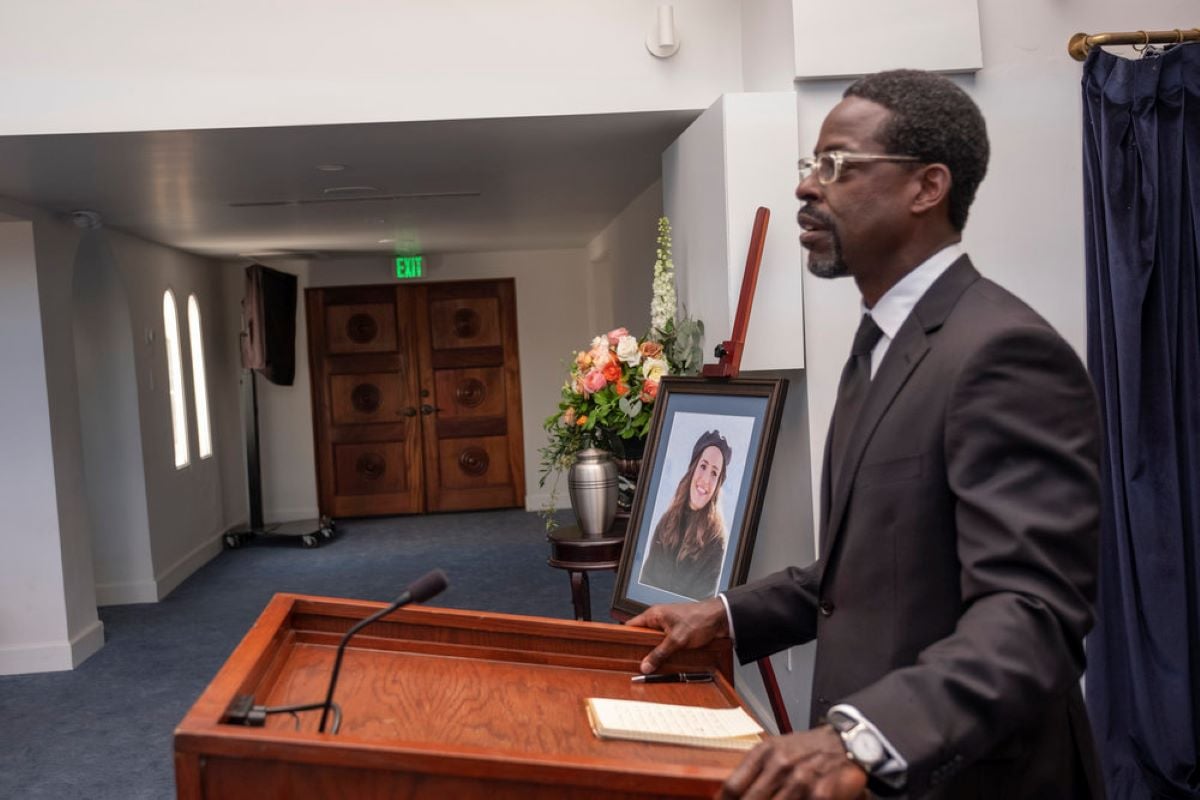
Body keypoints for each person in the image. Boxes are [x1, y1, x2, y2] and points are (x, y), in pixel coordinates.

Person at [627, 69, 1104, 800]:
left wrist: (864, 736)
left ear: (927, 187)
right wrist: (724, 615)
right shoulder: (880, 343)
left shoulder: (1003, 352)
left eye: (837, 165)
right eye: (810, 165)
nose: (806, 188)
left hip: (974, 776)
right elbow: (867, 568)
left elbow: (1031, 613)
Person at [638, 429, 732, 600]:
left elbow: (701, 604)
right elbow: (646, 579)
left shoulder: (715, 540)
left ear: (718, 484)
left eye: (714, 473)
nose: (705, 480)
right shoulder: (667, 520)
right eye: (703, 466)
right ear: (693, 468)